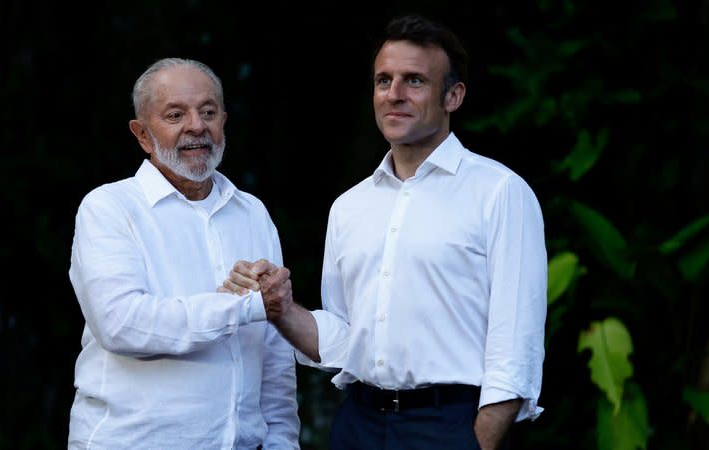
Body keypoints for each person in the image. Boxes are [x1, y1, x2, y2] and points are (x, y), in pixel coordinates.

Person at [222, 14, 547, 450]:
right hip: (358, 424)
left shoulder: (500, 193)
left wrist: (476, 442)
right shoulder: (349, 207)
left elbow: (516, 346)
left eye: (414, 81)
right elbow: (343, 338)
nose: (394, 95)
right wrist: (279, 308)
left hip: (448, 426)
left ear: (453, 95)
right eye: (383, 81)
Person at [66, 57, 300, 449]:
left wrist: (282, 442)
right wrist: (242, 306)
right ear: (142, 134)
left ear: (224, 121)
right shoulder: (109, 207)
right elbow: (123, 323)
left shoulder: (252, 212)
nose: (196, 126)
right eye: (176, 114)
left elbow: (274, 352)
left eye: (208, 112)